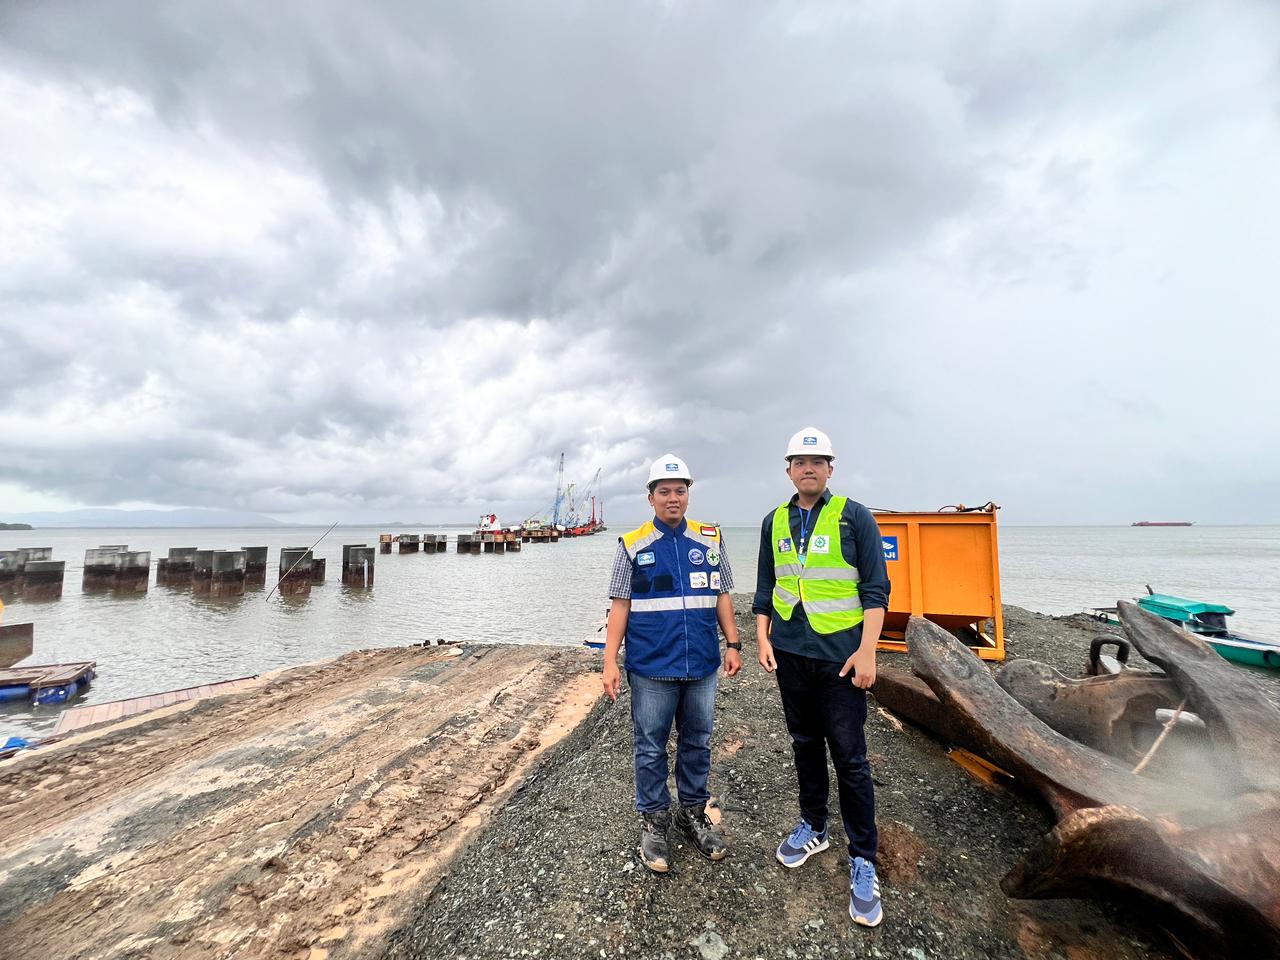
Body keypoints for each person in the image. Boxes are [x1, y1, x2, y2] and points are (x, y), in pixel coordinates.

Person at [753, 427, 891, 927]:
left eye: (817, 461)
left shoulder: (854, 516)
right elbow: (766, 586)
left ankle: (863, 858)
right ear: (788, 469)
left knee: (850, 758)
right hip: (791, 655)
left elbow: (876, 589)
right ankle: (814, 825)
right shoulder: (774, 521)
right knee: (805, 743)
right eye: (799, 461)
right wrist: (763, 638)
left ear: (830, 468)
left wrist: (868, 651)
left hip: (841, 659)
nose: (808, 468)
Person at [602, 453, 743, 873]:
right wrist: (610, 661)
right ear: (651, 498)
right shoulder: (632, 545)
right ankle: (654, 821)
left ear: (688, 494)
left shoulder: (711, 540)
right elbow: (620, 606)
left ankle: (693, 813)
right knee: (650, 747)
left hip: (701, 664)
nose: (673, 498)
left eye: (680, 490)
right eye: (664, 491)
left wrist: (734, 643)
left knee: (698, 741)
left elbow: (722, 595)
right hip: (651, 667)